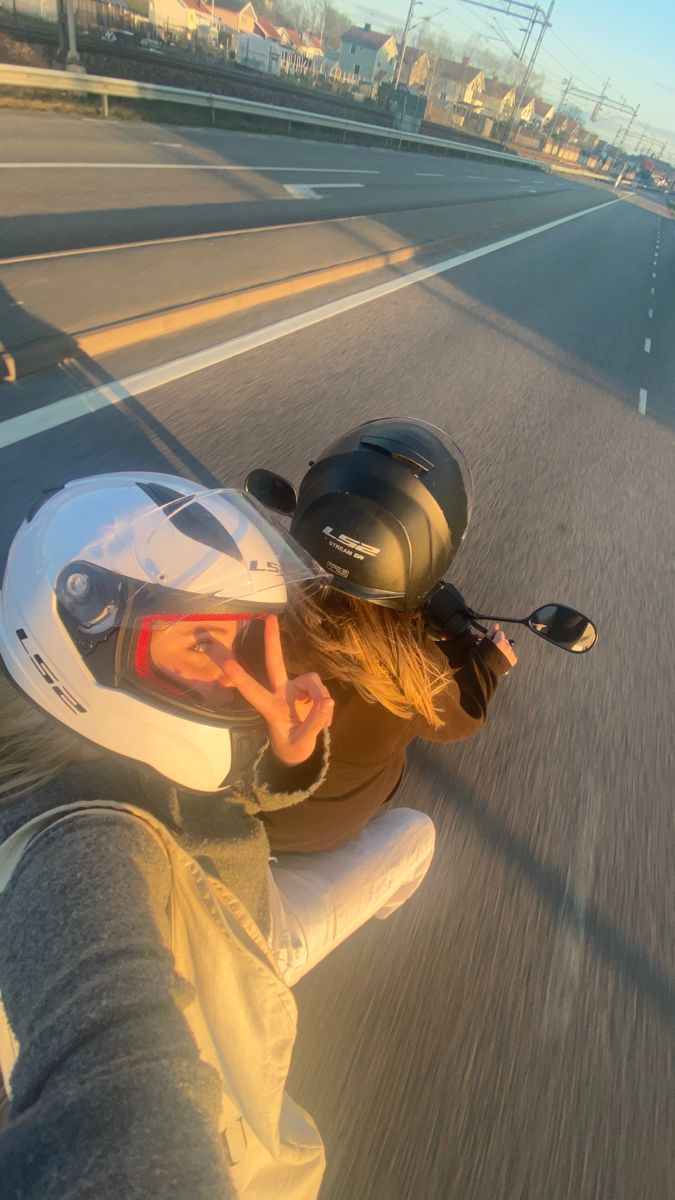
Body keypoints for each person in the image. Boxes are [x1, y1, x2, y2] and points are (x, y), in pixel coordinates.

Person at [0, 470, 436, 1200]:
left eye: (238, 636)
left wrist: (283, 758)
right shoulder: (76, 842)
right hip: (247, 943)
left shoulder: (84, 734)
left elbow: (209, 799)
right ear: (89, 636)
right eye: (202, 639)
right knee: (414, 837)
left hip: (229, 906)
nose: (235, 672)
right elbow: (116, 1077)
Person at [252, 418, 518, 856]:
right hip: (322, 841)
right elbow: (466, 718)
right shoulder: (412, 675)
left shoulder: (251, 617)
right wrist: (490, 663)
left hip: (239, 819)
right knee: (416, 834)